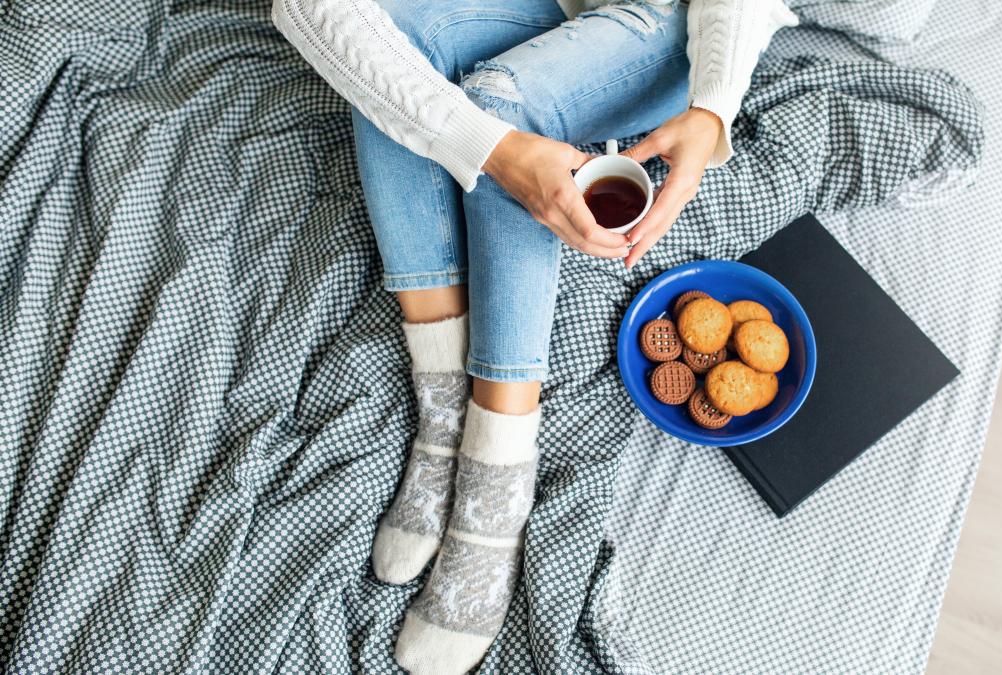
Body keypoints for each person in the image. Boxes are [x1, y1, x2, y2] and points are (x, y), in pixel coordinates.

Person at [272, 0, 797, 671]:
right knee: (382, 46)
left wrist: (713, 105)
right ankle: (443, 411)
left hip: (678, 20)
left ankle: (499, 472)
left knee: (499, 98)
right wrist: (491, 150)